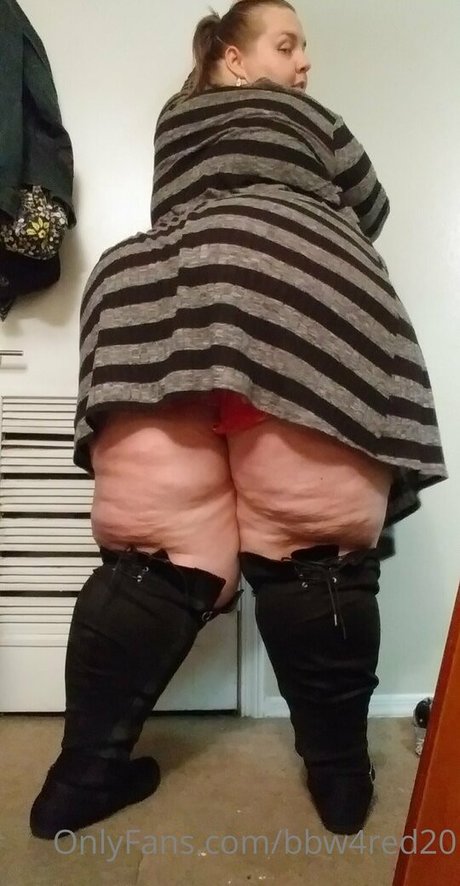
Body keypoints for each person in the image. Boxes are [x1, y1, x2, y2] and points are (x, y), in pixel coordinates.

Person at [30, 0, 447, 840]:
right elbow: (371, 207)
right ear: (231, 56)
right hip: (290, 279)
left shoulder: (173, 121)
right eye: (287, 44)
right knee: (313, 537)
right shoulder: (311, 120)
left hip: (149, 290)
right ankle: (340, 784)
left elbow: (177, 204)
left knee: (156, 546)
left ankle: (78, 782)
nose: (304, 64)